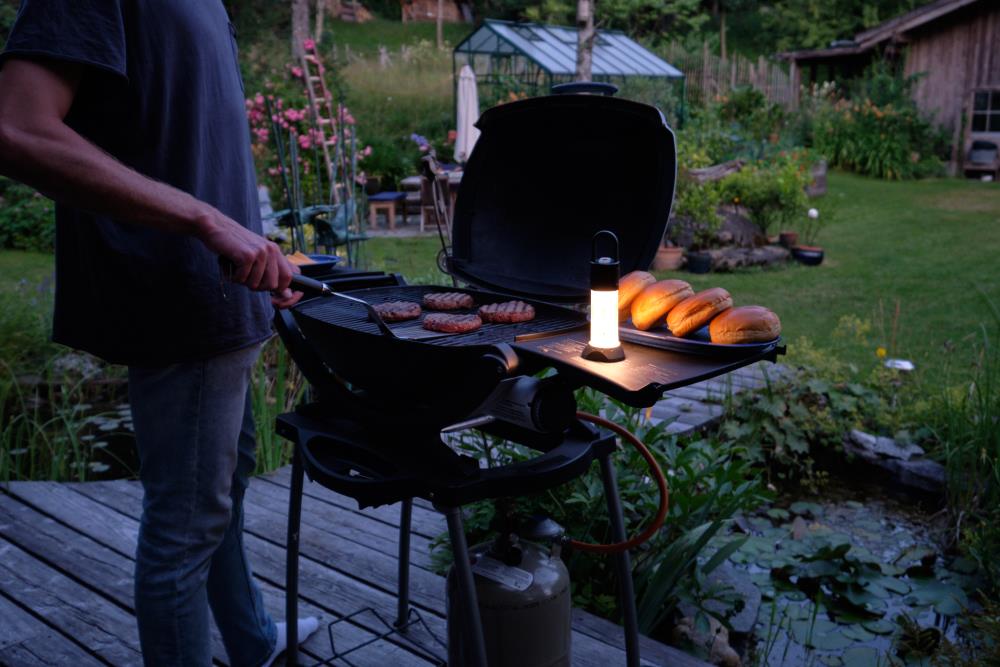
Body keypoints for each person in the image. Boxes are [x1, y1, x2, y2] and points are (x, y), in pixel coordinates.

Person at [0, 2, 319, 665]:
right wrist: (205, 221)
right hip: (180, 298)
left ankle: (253, 640)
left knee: (223, 487)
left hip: (227, 294)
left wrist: (256, 247)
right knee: (185, 526)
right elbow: (18, 127)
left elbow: (185, 141)